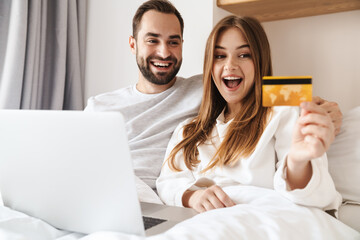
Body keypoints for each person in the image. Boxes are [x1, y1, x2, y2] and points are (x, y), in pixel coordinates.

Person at [85, 0, 343, 191]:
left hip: (155, 202)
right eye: (152, 40)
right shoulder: (99, 105)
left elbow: (278, 92)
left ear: (182, 44)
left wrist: (323, 108)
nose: (164, 52)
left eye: (173, 41)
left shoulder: (209, 87)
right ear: (133, 44)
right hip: (106, 192)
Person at [156, 15, 342, 213]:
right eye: (220, 56)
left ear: (259, 61)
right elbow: (168, 183)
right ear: (210, 66)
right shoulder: (188, 130)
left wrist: (296, 162)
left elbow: (311, 193)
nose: (230, 65)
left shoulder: (283, 112)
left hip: (259, 218)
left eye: (244, 55)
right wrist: (192, 197)